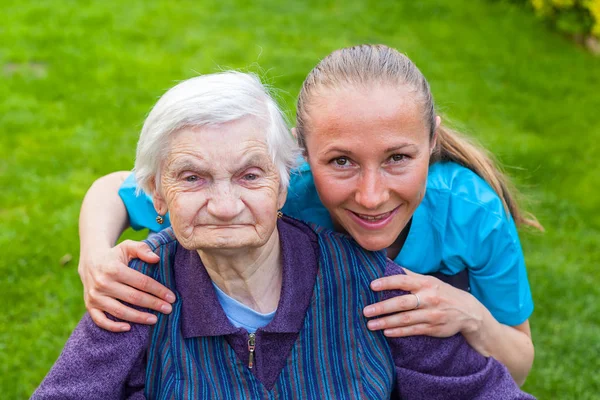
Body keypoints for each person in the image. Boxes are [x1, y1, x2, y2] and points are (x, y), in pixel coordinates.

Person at [33, 71, 533, 399]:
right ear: (158, 197)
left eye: (251, 176)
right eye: (192, 178)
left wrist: (471, 316)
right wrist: (94, 256)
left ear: (280, 183)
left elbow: (500, 379)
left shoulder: (387, 282)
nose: (225, 206)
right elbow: (112, 191)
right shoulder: (139, 286)